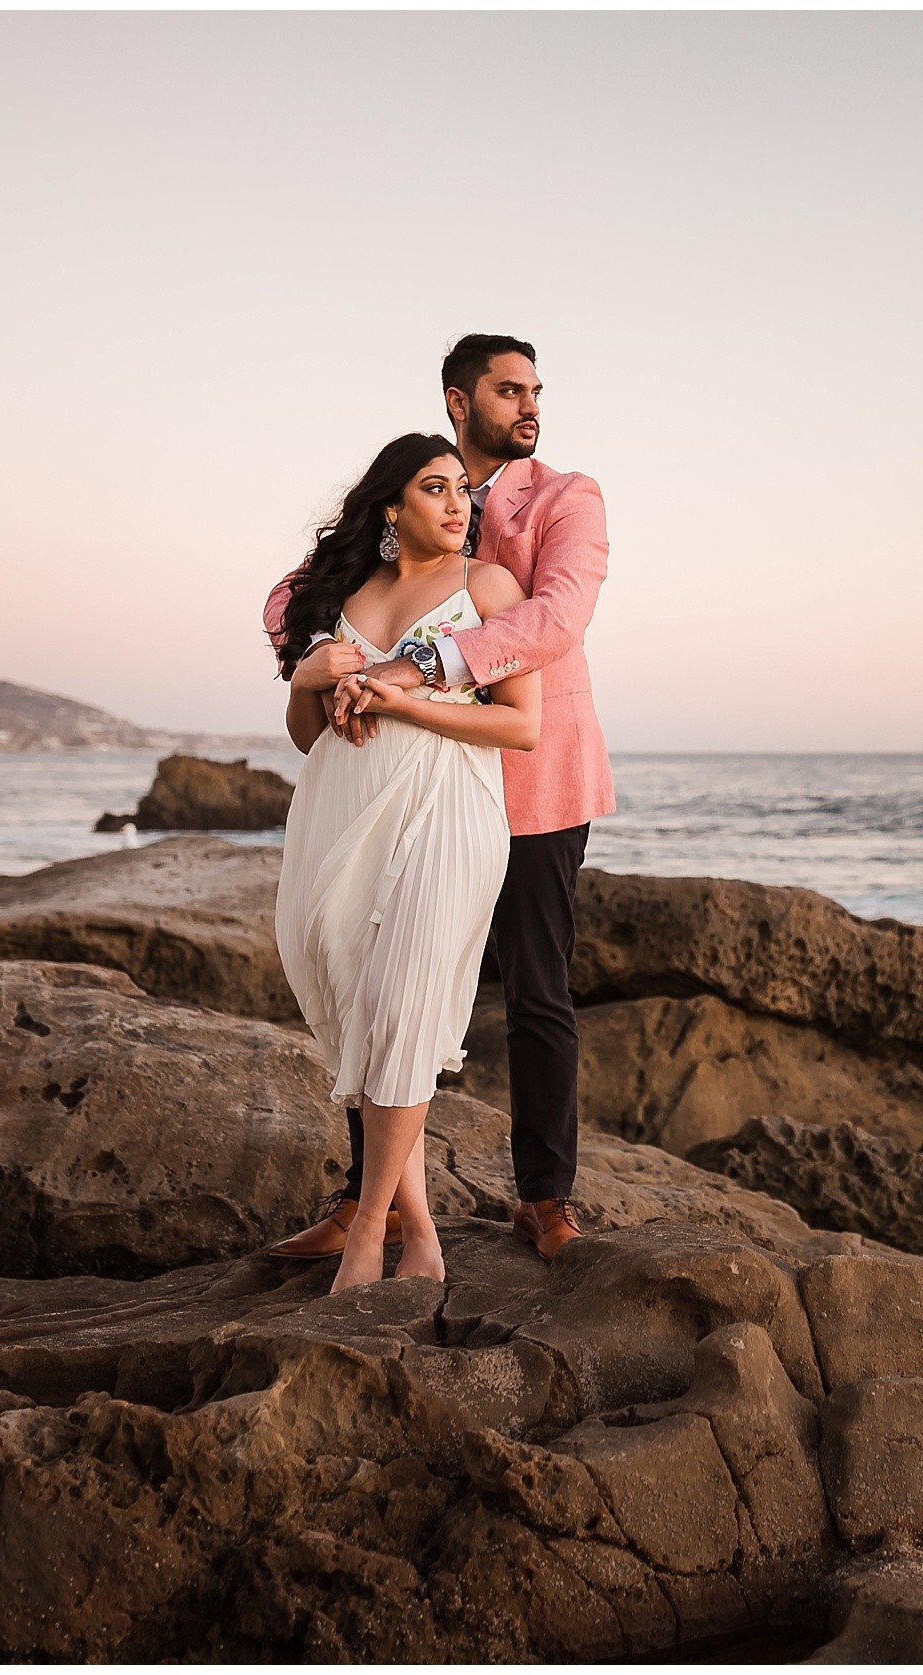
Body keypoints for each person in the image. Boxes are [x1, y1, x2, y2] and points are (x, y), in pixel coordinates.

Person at [265, 334, 614, 1264]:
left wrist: (412, 664)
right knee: (376, 967)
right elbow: (293, 595)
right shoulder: (415, 481)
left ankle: (544, 1196)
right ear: (460, 402)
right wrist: (320, 661)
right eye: (508, 390)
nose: (529, 404)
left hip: (529, 782)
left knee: (537, 988)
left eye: (536, 389)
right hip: (393, 782)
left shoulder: (565, 500)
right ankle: (362, 1200)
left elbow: (556, 618)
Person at [271, 432, 540, 1293]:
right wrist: (307, 676)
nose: (461, 504)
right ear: (393, 508)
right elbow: (311, 738)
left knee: (407, 1001)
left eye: (464, 489)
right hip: (342, 813)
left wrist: (411, 703)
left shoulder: (487, 588)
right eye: (436, 488)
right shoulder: (346, 595)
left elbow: (520, 726)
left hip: (449, 809)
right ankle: (420, 1230)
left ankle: (366, 1240)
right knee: (368, 1008)